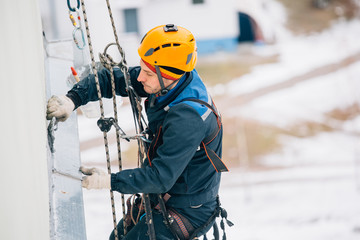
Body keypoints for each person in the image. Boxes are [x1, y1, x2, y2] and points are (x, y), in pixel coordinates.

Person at [47, 24, 230, 240]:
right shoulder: (171, 81)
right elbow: (111, 80)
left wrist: (109, 181)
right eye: (142, 69)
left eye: (147, 73)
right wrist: (72, 99)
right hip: (163, 195)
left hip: (186, 210)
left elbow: (161, 177)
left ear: (168, 75)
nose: (140, 78)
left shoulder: (188, 118)